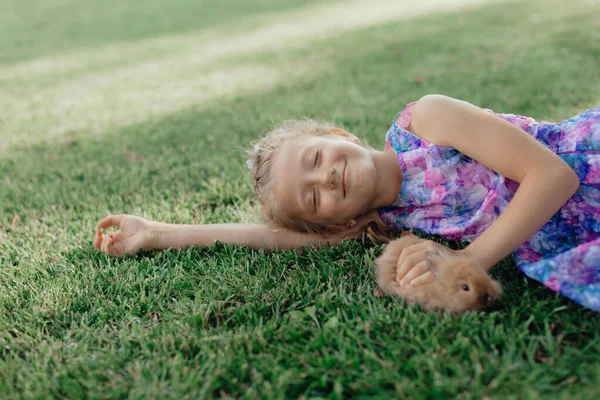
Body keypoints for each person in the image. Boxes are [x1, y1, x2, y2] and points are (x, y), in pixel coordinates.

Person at [94, 94, 600, 311]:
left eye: (316, 156)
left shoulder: (427, 120)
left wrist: (467, 261)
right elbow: (270, 236)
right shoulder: (387, 221)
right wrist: (157, 233)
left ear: (341, 135)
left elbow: (552, 176)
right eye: (312, 198)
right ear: (340, 221)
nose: (326, 178)